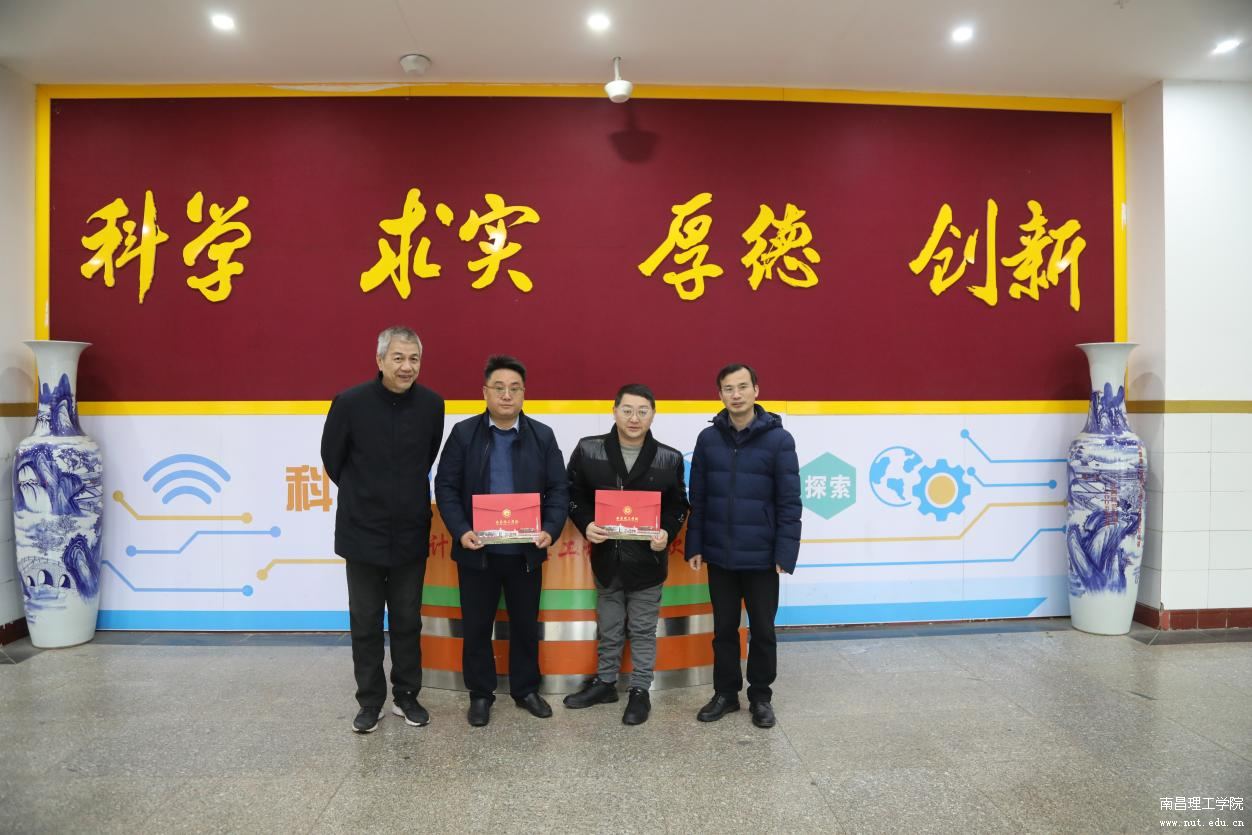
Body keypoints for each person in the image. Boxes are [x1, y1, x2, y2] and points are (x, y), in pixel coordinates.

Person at [321, 326, 445, 734]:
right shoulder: (350, 403)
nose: (407, 366)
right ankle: (370, 701)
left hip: (410, 530)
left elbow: (427, 456)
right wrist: (366, 494)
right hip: (362, 531)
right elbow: (333, 459)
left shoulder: (432, 405)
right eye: (398, 358)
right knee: (366, 621)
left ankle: (406, 696)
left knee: (408, 619)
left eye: (414, 359)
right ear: (379, 360)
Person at [434, 355, 569, 727]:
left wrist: (550, 529)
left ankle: (525, 690)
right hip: (477, 551)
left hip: (526, 551)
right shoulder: (464, 434)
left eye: (514, 388)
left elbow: (559, 489)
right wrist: (461, 529)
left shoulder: (542, 436)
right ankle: (480, 694)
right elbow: (445, 487)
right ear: (485, 392)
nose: (507, 395)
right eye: (499, 388)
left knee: (525, 626)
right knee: (477, 627)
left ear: (524, 393)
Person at [563, 384, 689, 725]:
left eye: (642, 411)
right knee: (609, 626)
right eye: (628, 410)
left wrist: (667, 532)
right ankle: (605, 684)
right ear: (615, 411)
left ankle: (639, 691)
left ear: (653, 415)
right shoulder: (589, 449)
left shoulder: (669, 457)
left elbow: (678, 505)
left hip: (648, 561)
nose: (635, 418)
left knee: (644, 630)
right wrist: (586, 523)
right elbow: (572, 493)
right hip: (606, 558)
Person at [685, 363, 801, 729]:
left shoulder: (779, 440)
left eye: (742, 387)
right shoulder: (708, 439)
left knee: (763, 630)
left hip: (762, 556)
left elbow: (789, 502)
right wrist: (695, 544)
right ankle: (725, 694)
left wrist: (785, 552)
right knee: (723, 629)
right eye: (728, 389)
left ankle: (761, 696)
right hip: (719, 553)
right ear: (719, 394)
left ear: (756, 390)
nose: (735, 395)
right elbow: (698, 498)